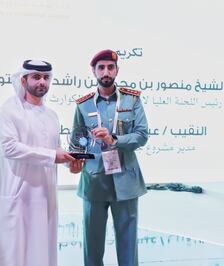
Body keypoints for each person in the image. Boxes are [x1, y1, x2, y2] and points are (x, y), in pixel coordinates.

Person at [0, 60, 76, 266]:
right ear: (24, 79)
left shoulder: (52, 115)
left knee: (42, 253)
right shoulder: (10, 110)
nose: (42, 82)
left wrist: (70, 163)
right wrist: (53, 156)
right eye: (36, 77)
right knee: (15, 253)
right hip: (20, 196)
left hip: (45, 197)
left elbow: (56, 148)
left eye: (46, 78)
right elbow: (10, 148)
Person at [69, 49, 148, 266]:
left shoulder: (132, 100)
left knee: (128, 244)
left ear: (117, 70)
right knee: (92, 245)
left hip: (126, 180)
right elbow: (77, 139)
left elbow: (141, 136)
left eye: (110, 67)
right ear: (94, 71)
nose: (106, 72)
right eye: (101, 67)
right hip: (94, 180)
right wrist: (75, 161)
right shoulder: (83, 104)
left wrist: (114, 139)